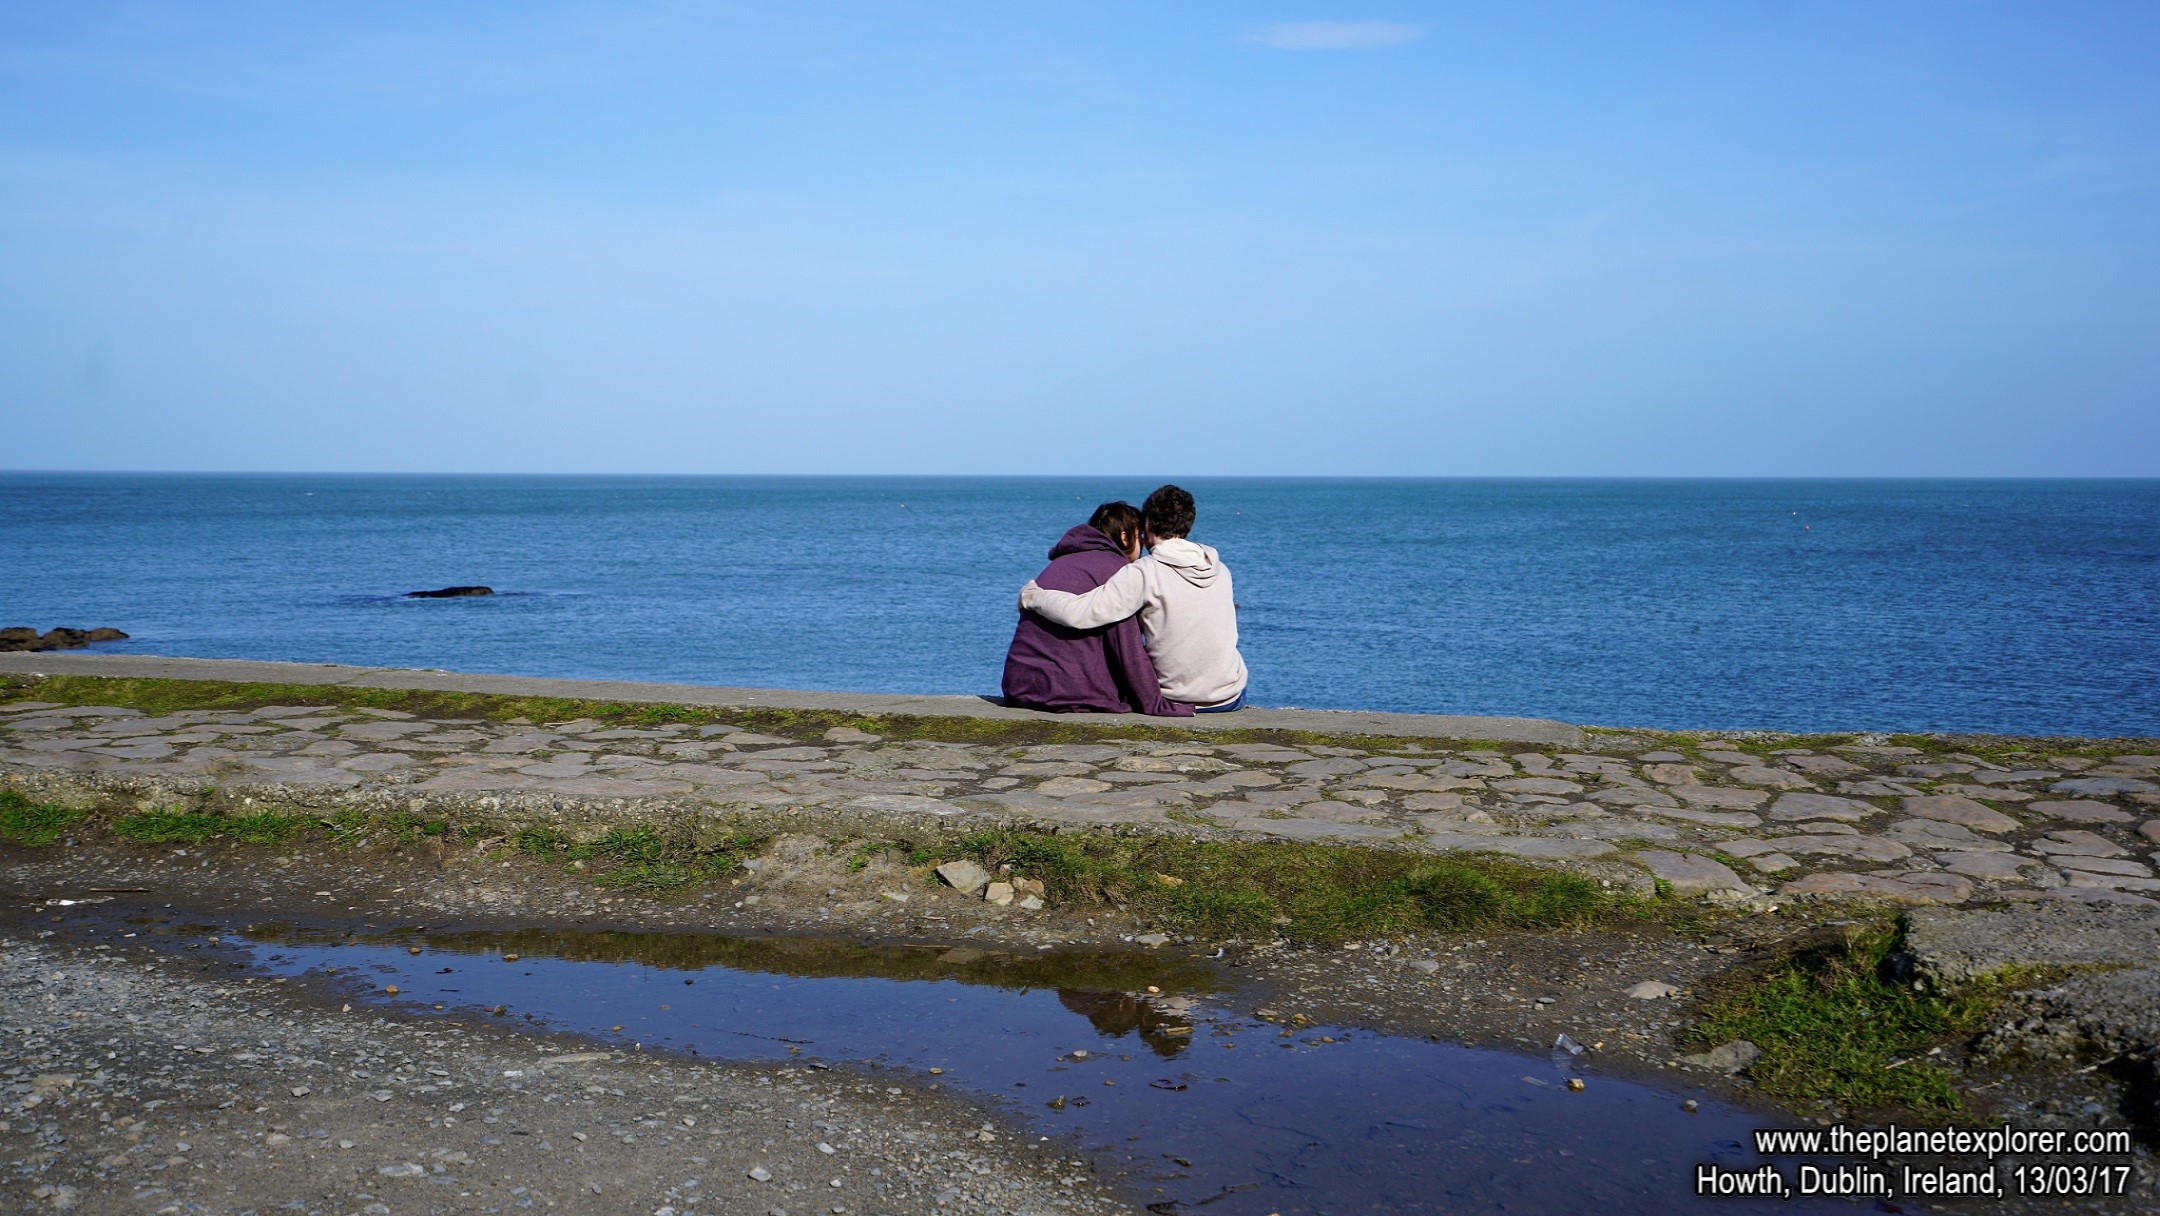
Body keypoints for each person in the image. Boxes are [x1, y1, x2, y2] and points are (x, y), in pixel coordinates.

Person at [1019, 484, 1248, 712]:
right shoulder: (1220, 570)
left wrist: (1034, 597)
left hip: (1178, 698)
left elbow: (1079, 614)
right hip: (1230, 696)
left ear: (1147, 525)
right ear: (1187, 525)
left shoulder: (1144, 572)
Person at [1002, 501, 1194, 716]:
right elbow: (1127, 647)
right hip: (1066, 691)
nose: (1143, 545)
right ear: (1125, 536)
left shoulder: (1061, 563)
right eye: (1139, 536)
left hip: (1018, 686)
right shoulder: (1118, 571)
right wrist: (1153, 702)